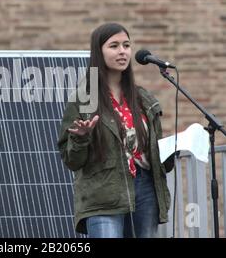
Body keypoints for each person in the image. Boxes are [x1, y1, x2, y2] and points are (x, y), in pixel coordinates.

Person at [57, 23, 174, 238]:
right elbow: (71, 161)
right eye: (114, 46)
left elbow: (158, 157)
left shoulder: (143, 98)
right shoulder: (87, 97)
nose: (123, 51)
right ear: (99, 52)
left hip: (146, 188)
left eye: (126, 45)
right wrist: (80, 139)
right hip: (104, 194)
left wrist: (173, 149)